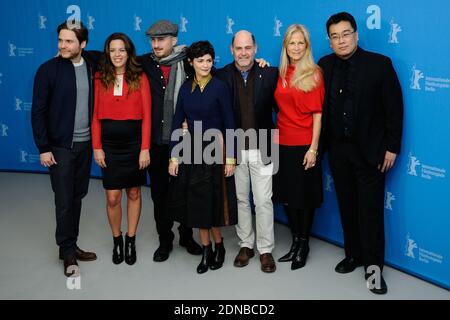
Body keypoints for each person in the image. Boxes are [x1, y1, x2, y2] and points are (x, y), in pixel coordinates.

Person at [318, 12, 403, 294]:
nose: (341, 40)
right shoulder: (324, 65)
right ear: (329, 41)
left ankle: (374, 269)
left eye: (345, 34)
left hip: (371, 153)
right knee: (347, 207)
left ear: (356, 35)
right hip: (339, 151)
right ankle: (353, 255)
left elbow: (394, 110)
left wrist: (392, 147)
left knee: (371, 212)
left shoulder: (380, 65)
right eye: (335, 36)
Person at [31, 21, 97, 277]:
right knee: (64, 201)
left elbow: (112, 54)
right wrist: (44, 148)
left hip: (85, 145)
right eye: (60, 40)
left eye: (69, 41)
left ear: (82, 44)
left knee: (77, 196)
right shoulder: (47, 70)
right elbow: (38, 112)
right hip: (59, 148)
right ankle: (67, 252)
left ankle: (73, 244)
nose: (62, 45)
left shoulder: (92, 64)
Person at [167, 41, 238, 274]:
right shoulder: (185, 89)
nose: (205, 64)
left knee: (212, 204)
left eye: (209, 60)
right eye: (200, 60)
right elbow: (177, 123)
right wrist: (174, 157)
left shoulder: (220, 87)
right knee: (197, 204)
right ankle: (206, 250)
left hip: (215, 151)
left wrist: (230, 158)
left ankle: (219, 246)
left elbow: (230, 124)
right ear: (191, 62)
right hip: (191, 153)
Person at [215, 30, 278, 273]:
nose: (243, 52)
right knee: (241, 198)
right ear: (231, 50)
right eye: (239, 48)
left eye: (248, 48)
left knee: (263, 200)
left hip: (263, 145)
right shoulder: (220, 76)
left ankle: (265, 249)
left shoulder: (269, 73)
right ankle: (245, 245)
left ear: (255, 48)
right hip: (235, 148)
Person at [139, 20, 202, 262]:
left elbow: (218, 76)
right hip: (156, 142)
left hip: (184, 140)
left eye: (161, 39)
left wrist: (259, 64)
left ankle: (186, 236)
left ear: (173, 40)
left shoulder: (189, 61)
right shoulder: (144, 63)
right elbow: (112, 61)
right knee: (159, 194)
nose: (156, 44)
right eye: (153, 40)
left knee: (186, 191)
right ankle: (164, 240)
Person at [92, 33, 151, 265]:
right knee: (113, 197)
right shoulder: (99, 77)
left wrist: (145, 148)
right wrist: (97, 147)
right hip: (109, 146)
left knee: (134, 192)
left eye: (122, 50)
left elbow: (147, 117)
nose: (117, 54)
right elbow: (95, 116)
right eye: (113, 50)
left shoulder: (140, 78)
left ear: (129, 53)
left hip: (135, 145)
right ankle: (116, 239)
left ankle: (131, 239)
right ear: (108, 52)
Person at [273, 24, 324, 270]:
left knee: (304, 197)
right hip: (282, 142)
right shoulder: (281, 73)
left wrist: (313, 148)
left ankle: (304, 244)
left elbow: (318, 114)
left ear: (306, 46)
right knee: (287, 197)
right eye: (291, 43)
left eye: (300, 43)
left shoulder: (314, 73)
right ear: (285, 46)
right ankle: (294, 241)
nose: (295, 47)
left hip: (304, 144)